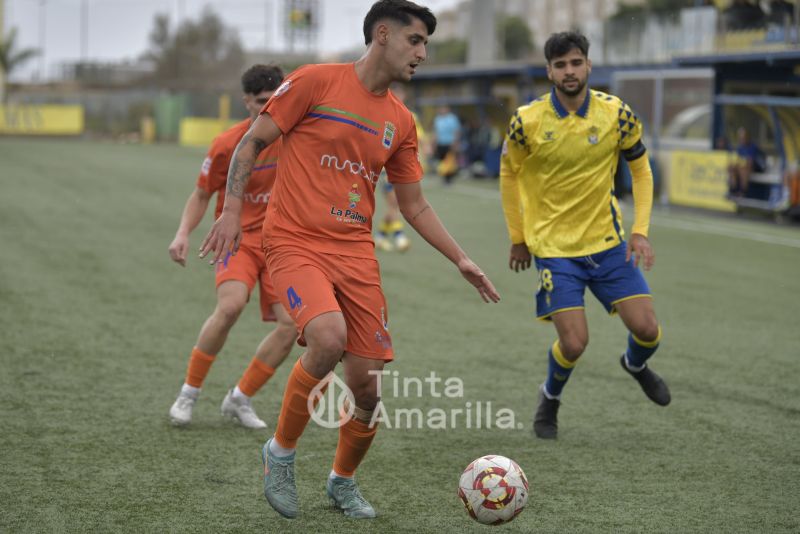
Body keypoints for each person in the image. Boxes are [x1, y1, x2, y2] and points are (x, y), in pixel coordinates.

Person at [199, 0, 499, 520]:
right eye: (416, 40)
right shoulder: (315, 82)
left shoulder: (402, 121)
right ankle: (281, 453)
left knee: (366, 387)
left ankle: (341, 482)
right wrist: (229, 212)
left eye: (426, 43)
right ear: (382, 35)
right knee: (328, 338)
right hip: (293, 241)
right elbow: (250, 143)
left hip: (356, 253)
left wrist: (462, 259)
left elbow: (414, 204)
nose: (423, 52)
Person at [499, 31, 671, 440]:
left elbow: (641, 170)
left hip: (608, 245)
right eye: (560, 65)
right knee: (574, 344)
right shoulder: (527, 121)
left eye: (576, 62)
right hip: (555, 252)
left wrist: (640, 232)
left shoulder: (617, 114)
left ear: (588, 65)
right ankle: (550, 397)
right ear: (549, 71)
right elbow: (509, 173)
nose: (569, 71)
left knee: (648, 330)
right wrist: (518, 236)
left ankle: (635, 365)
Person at [167, 64, 297, 429]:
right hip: (237, 240)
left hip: (282, 243)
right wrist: (182, 233)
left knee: (292, 326)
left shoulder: (297, 137)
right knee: (230, 306)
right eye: (260, 102)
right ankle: (189, 393)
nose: (267, 109)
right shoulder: (228, 144)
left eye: (274, 101)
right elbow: (201, 194)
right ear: (246, 102)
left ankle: (240, 398)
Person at [374, 83, 421, 252]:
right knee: (394, 204)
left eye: (400, 94)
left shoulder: (410, 116)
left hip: (405, 170)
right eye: (395, 93)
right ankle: (399, 236)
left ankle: (380, 237)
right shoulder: (383, 115)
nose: (398, 97)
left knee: (394, 206)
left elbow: (418, 140)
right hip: (387, 171)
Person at [728, 126, 766, 197]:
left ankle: (743, 191)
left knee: (743, 168)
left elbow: (751, 162)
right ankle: (733, 189)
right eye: (740, 137)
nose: (741, 139)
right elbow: (738, 160)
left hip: (758, 167)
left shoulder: (753, 147)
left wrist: (740, 165)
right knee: (732, 167)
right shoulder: (740, 147)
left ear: (747, 137)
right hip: (746, 167)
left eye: (743, 137)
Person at [432, 104, 461, 184]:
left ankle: (449, 178)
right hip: (440, 143)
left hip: (450, 143)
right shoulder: (437, 119)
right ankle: (444, 177)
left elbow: (456, 131)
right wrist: (434, 144)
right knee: (442, 161)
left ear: (447, 109)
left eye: (444, 108)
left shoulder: (452, 118)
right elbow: (435, 132)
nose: (442, 110)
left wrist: (455, 142)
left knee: (449, 160)